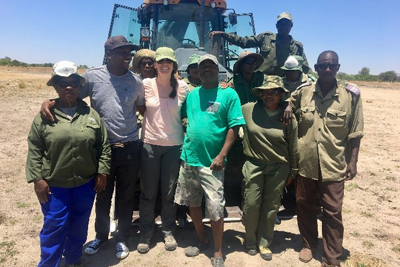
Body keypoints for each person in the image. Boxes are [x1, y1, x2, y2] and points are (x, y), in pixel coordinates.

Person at [40, 35, 145, 260]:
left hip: (129, 146)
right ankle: (101, 235)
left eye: (129, 52)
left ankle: (123, 239)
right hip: (101, 149)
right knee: (102, 195)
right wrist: (49, 102)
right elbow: (70, 94)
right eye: (122, 52)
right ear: (108, 54)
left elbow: (142, 107)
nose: (128, 56)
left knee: (126, 197)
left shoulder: (135, 81)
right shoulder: (92, 77)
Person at [27, 61, 111, 267]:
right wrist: (37, 179)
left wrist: (102, 171)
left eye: (73, 83)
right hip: (55, 185)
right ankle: (49, 264)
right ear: (54, 86)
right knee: (54, 226)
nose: (69, 87)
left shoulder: (91, 115)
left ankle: (73, 259)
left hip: (85, 184)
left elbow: (104, 146)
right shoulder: (45, 117)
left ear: (79, 86)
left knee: (80, 225)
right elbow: (35, 149)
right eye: (62, 83)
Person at [289, 51, 364, 267]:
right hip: (307, 163)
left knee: (333, 211)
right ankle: (308, 244)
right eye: (323, 66)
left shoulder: (351, 96)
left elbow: (356, 132)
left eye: (331, 65)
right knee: (304, 206)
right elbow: (287, 103)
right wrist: (286, 105)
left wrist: (353, 162)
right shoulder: (303, 93)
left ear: (338, 67)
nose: (327, 69)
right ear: (316, 67)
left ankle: (331, 257)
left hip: (334, 164)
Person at [174, 54, 245, 267]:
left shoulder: (229, 94)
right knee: (193, 203)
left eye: (211, 66)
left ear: (218, 70)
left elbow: (234, 126)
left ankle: (218, 250)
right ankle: (202, 240)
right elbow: (186, 118)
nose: (206, 70)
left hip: (212, 164)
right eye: (202, 66)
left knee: (215, 207)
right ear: (197, 70)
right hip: (189, 160)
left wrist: (222, 155)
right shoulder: (192, 94)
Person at [136, 47, 189, 253]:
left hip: (174, 146)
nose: (165, 64)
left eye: (169, 61)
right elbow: (132, 103)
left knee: (168, 193)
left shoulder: (183, 87)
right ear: (155, 64)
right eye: (161, 61)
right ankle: (145, 233)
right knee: (148, 193)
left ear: (174, 64)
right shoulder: (145, 85)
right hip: (149, 144)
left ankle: (168, 231)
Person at [240, 75, 298, 261]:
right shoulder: (249, 109)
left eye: (274, 92)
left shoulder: (288, 116)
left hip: (279, 167)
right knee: (251, 204)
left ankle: (264, 243)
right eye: (265, 92)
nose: (269, 96)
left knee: (270, 207)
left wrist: (293, 171)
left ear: (281, 95)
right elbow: (228, 111)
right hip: (253, 164)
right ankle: (250, 241)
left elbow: (293, 146)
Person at [210, 12, 308, 77]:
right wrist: (224, 35)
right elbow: (244, 42)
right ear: (276, 26)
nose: (284, 26)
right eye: (281, 24)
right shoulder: (265, 37)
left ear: (291, 26)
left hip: (283, 84)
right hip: (262, 81)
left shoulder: (297, 46)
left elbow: (305, 68)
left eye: (287, 24)